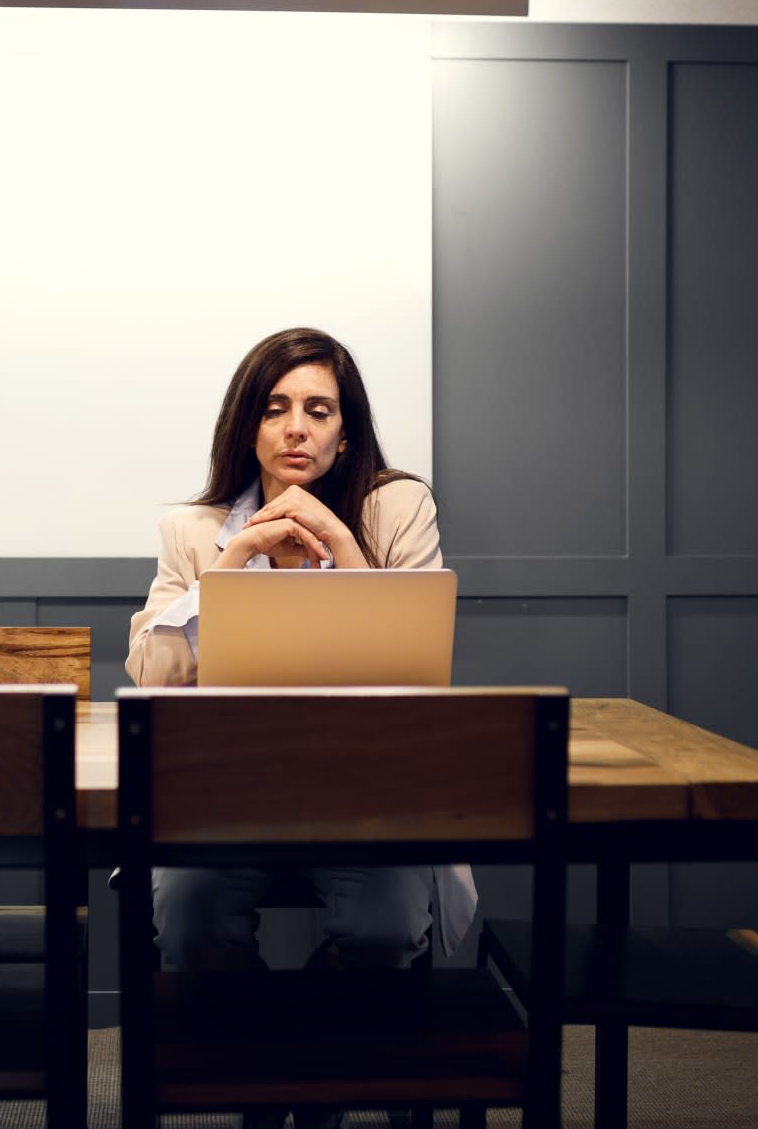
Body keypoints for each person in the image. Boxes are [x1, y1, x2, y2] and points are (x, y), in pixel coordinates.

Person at [126, 327, 474, 1129]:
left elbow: (416, 668)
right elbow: (150, 674)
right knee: (188, 921)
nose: (296, 427)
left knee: (386, 933)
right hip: (229, 800)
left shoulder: (396, 507)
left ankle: (305, 1081)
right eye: (277, 408)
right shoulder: (193, 528)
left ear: (344, 430)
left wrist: (344, 544)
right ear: (249, 426)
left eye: (319, 410)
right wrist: (230, 563)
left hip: (367, 800)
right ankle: (270, 1073)